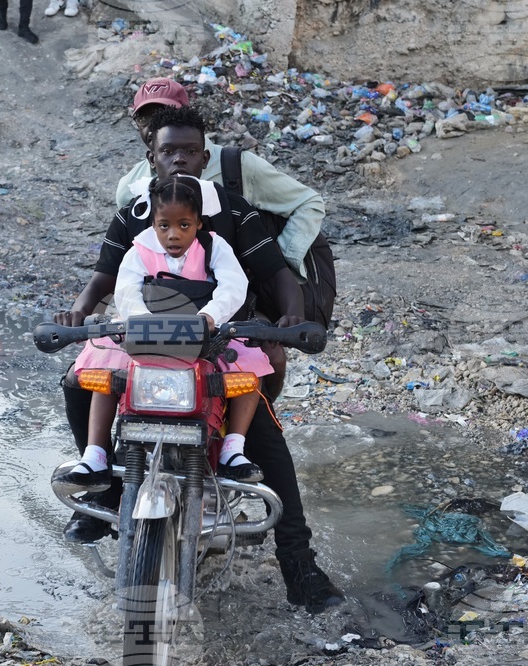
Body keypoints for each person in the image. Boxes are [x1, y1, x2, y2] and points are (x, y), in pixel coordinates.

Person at [55, 106, 344, 614]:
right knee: (80, 380)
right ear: (152, 157)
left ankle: (300, 561)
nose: (180, 160)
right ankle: (102, 485)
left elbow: (274, 272)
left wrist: (291, 324)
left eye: (189, 151)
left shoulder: (232, 211)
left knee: (267, 441)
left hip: (218, 344)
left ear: (204, 156)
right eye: (169, 151)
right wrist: (78, 312)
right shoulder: (136, 216)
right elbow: (108, 278)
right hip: (145, 342)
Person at [53, 175, 269, 494]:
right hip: (146, 337)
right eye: (164, 225)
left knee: (252, 365)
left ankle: (232, 450)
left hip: (204, 337)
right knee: (106, 368)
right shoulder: (140, 249)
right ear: (153, 223)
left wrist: (210, 315)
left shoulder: (216, 248)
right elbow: (125, 289)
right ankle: (95, 455)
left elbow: (234, 286)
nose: (173, 234)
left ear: (199, 223)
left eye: (184, 225)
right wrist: (140, 319)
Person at [117, 77, 329, 400]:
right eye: (147, 117)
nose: (155, 123)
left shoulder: (235, 170)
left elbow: (306, 207)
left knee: (266, 363)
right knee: (94, 377)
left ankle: (250, 437)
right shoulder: (131, 193)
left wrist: (283, 274)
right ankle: (95, 450)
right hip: (153, 312)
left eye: (167, 113)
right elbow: (120, 266)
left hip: (232, 306)